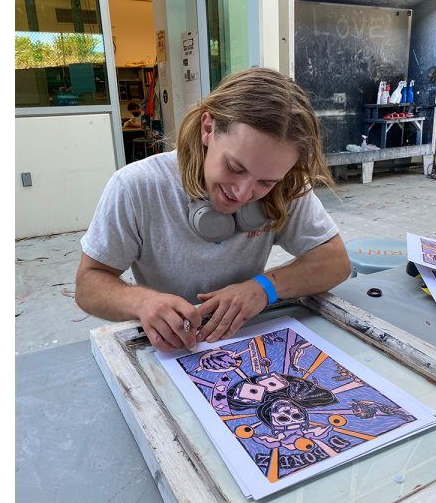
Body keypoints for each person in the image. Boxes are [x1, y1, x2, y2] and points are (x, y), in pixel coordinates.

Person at [75, 67, 350, 353]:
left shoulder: (285, 184)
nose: (243, 193)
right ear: (208, 129)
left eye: (265, 182)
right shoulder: (136, 187)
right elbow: (88, 284)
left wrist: (264, 287)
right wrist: (142, 302)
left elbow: (336, 262)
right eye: (235, 167)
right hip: (173, 348)